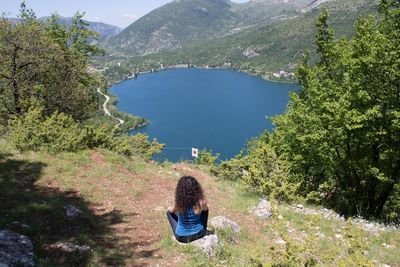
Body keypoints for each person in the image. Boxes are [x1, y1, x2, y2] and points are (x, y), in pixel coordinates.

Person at [167, 176, 208, 243]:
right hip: (199, 234)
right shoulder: (201, 202)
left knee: (169, 213)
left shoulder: (179, 203)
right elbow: (205, 210)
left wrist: (168, 208)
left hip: (181, 238)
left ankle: (181, 227)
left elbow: (171, 210)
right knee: (205, 211)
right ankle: (201, 227)